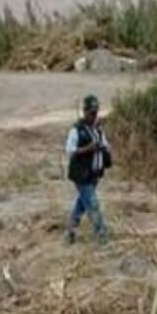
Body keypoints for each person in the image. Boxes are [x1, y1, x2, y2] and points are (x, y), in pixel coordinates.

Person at [65, 94, 111, 244]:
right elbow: (70, 150)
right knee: (93, 204)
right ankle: (101, 234)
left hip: (94, 174)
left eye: (96, 112)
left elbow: (106, 144)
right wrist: (87, 148)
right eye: (91, 113)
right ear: (84, 112)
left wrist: (104, 150)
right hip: (81, 175)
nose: (94, 116)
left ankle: (70, 231)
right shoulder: (77, 130)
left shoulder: (98, 129)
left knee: (81, 205)